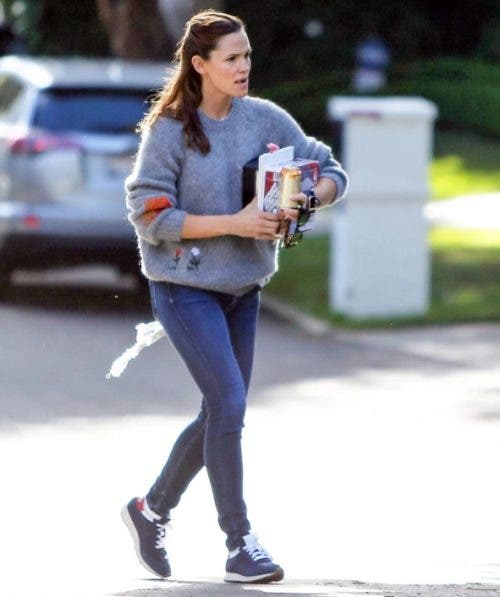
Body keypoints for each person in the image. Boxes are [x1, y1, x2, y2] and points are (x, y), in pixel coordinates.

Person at [121, 9, 348, 584]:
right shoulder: (169, 130)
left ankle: (151, 510)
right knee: (228, 404)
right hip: (183, 289)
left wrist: (308, 198)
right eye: (232, 58)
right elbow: (149, 214)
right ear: (200, 65)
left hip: (243, 289)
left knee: (221, 409)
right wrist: (235, 223)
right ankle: (239, 543)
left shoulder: (265, 119)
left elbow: (330, 169)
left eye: (247, 55)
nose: (244, 66)